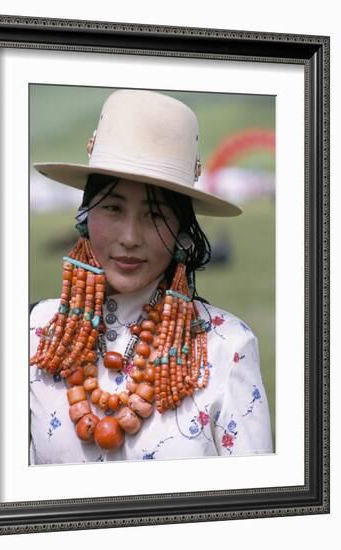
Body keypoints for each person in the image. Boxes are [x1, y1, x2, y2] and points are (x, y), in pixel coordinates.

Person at [29, 89, 273, 464]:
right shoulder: (33, 335)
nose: (130, 237)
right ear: (84, 217)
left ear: (182, 230)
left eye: (155, 215)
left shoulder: (228, 346)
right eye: (112, 207)